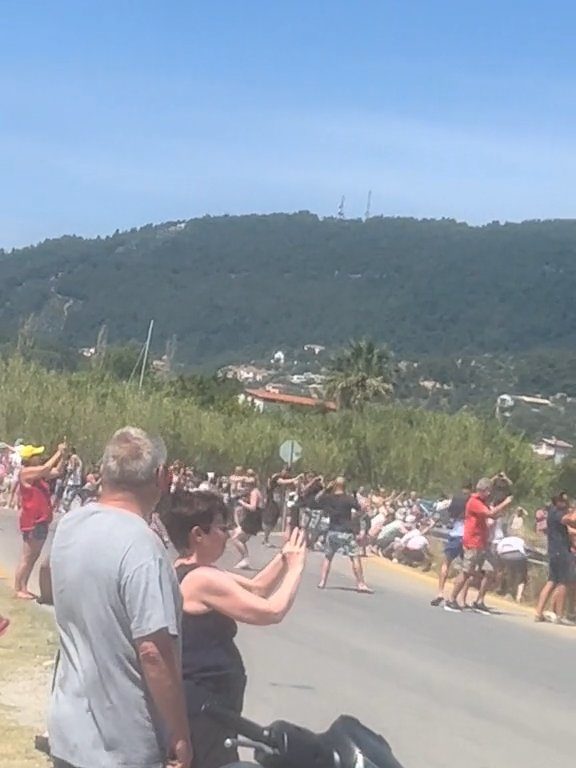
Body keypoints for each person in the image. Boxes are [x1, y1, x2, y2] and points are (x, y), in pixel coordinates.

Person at [48, 427, 192, 768]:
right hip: (122, 745)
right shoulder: (143, 547)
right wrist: (180, 730)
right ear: (160, 476)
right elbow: (153, 652)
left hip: (69, 731)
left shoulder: (70, 525)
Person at [161, 490, 306, 768]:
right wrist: (297, 568)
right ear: (198, 535)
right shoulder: (201, 579)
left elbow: (258, 587)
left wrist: (285, 556)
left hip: (214, 704)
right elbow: (271, 611)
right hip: (205, 705)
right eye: (221, 527)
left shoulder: (194, 570)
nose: (227, 535)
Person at [445, 477, 512, 614]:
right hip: (472, 542)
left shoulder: (482, 501)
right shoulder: (474, 502)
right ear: (482, 490)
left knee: (491, 569)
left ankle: (479, 601)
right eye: (487, 491)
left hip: (482, 542)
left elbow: (492, 516)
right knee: (466, 572)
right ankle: (451, 599)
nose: (489, 494)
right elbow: (490, 513)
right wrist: (505, 503)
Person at [14, 442, 67, 599]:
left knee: (34, 556)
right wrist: (58, 452)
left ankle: (23, 586)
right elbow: (45, 469)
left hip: (41, 520)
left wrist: (63, 457)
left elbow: (56, 471)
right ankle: (18, 588)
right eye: (36, 455)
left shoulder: (37, 476)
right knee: (27, 556)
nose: (40, 458)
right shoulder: (26, 473)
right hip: (33, 520)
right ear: (30, 459)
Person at [316, 477, 372, 593]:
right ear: (345, 486)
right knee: (355, 557)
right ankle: (360, 583)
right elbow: (360, 509)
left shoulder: (329, 498)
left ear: (335, 485)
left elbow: (317, 499)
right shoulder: (349, 499)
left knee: (328, 557)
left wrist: (326, 489)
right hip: (346, 532)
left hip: (332, 531)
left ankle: (322, 581)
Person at [534, 493, 576, 624]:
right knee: (563, 582)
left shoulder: (552, 511)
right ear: (557, 502)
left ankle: (538, 612)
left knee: (551, 581)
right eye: (564, 502)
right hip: (561, 551)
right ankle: (559, 615)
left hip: (554, 551)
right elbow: (570, 520)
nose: (566, 504)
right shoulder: (557, 513)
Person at [431, 484, 470, 607]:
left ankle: (440, 593)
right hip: (467, 535)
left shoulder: (456, 501)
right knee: (467, 569)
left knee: (446, 563)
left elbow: (443, 510)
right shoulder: (471, 502)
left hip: (455, 533)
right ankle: (461, 598)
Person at [230, 474, 264, 569]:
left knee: (236, 538)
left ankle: (245, 559)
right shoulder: (254, 491)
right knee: (240, 538)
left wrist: (242, 503)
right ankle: (244, 558)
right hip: (252, 518)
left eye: (246, 485)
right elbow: (233, 480)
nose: (245, 487)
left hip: (253, 519)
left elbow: (253, 507)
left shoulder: (254, 493)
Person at [496, 535, 528, 602]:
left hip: (504, 554)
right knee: (520, 574)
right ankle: (516, 594)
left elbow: (498, 550)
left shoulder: (503, 540)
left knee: (505, 571)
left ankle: (500, 587)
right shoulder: (521, 540)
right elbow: (525, 549)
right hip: (518, 555)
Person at [60, 447, 84, 512]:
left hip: (72, 480)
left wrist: (67, 478)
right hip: (77, 480)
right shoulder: (78, 458)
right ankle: (68, 508)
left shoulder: (73, 457)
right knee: (71, 496)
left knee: (66, 495)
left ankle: (66, 508)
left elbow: (72, 468)